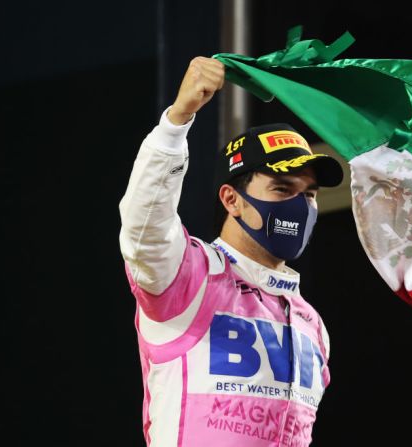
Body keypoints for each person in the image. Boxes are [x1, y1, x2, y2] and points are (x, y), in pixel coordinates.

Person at [119, 56, 343, 447]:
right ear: (231, 199)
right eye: (282, 190)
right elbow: (144, 228)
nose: (299, 206)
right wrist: (176, 121)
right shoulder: (190, 278)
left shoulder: (313, 326)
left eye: (308, 195)